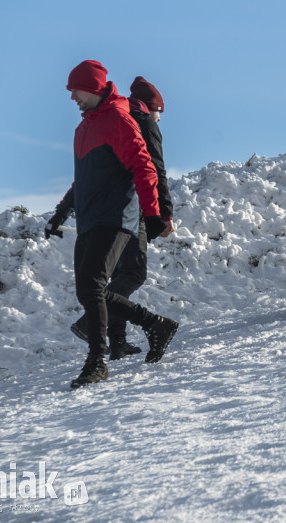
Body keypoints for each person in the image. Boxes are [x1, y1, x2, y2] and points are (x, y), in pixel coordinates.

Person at [45, 60, 179, 389]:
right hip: (91, 218)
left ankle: (98, 361)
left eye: (75, 90)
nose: (72, 96)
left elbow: (146, 167)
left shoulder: (119, 118)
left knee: (99, 284)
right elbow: (83, 180)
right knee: (88, 290)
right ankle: (156, 325)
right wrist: (63, 211)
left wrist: (153, 213)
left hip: (117, 215)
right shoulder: (83, 130)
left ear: (91, 88)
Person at [67, 76, 174, 360]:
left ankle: (117, 342)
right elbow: (153, 168)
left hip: (107, 208)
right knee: (132, 273)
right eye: (160, 112)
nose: (159, 119)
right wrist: (163, 214)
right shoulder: (143, 121)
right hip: (132, 207)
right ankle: (94, 323)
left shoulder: (115, 115)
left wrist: (67, 204)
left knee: (114, 275)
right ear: (153, 107)